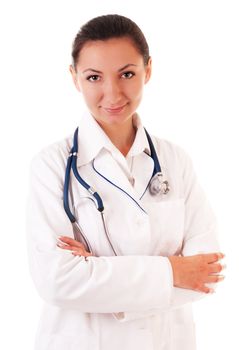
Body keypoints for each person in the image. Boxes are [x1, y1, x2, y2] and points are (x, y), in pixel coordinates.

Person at [26, 14, 225, 350]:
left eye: (127, 74)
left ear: (148, 71)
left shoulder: (176, 162)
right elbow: (57, 282)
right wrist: (173, 271)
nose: (112, 93)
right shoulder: (51, 166)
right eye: (93, 77)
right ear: (75, 78)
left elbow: (206, 275)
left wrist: (97, 272)